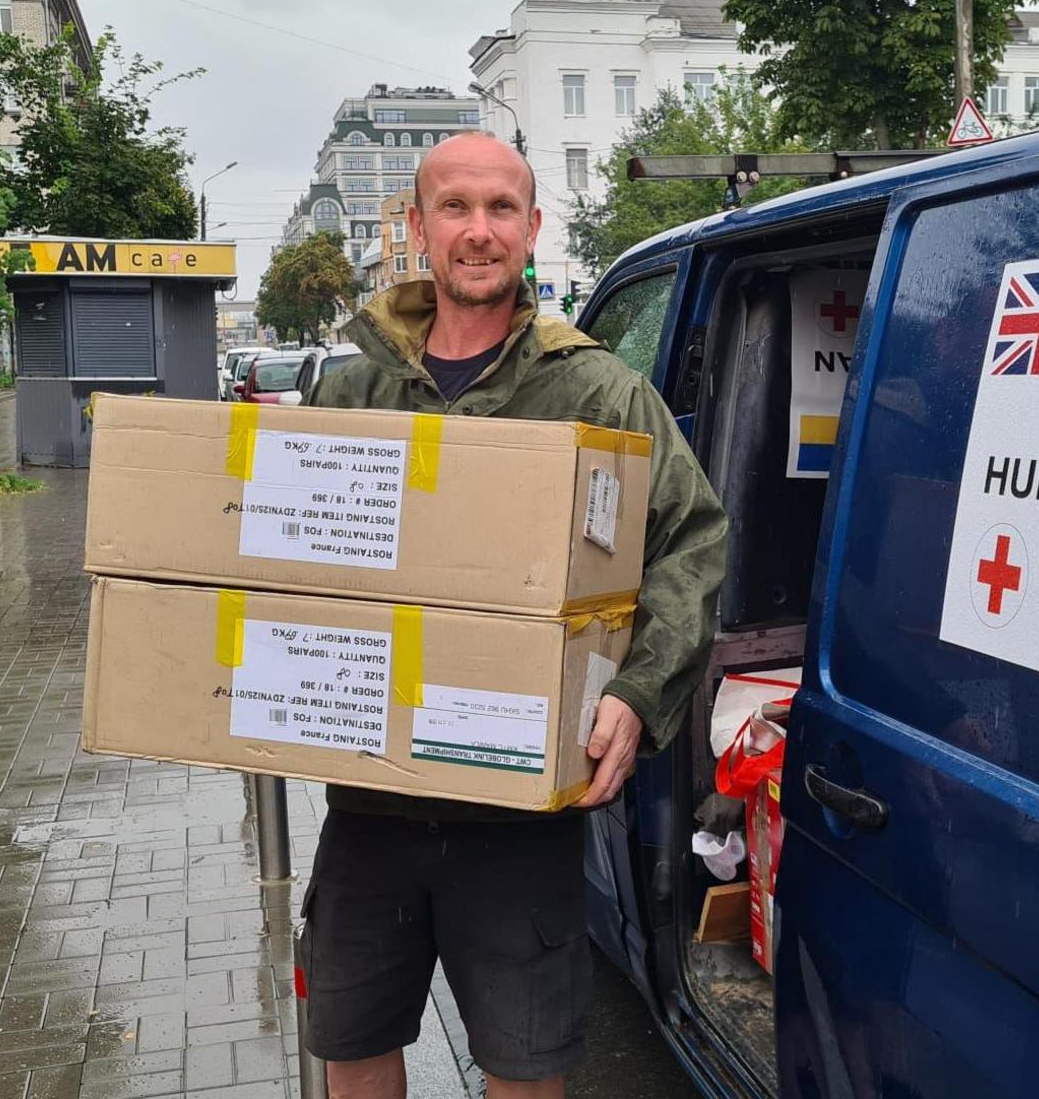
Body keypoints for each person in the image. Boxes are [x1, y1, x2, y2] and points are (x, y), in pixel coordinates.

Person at [300, 132, 728, 1099]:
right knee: (354, 1046)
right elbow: (284, 567)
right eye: (455, 208)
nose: (479, 231)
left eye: (501, 210)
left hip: (518, 817)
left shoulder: (595, 390)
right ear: (417, 228)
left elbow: (694, 543)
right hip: (368, 800)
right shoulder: (351, 390)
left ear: (532, 229)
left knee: (526, 1066)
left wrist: (638, 694)